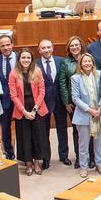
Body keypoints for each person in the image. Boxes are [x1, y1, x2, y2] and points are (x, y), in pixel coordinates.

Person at [9, 48, 48, 175]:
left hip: (37, 107)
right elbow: (13, 96)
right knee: (25, 137)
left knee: (37, 136)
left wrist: (35, 109)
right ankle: (28, 164)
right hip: (22, 109)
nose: (26, 60)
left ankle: (37, 163)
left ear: (32, 59)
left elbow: (42, 91)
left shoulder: (37, 71)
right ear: (19, 59)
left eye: (28, 58)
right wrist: (24, 111)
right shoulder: (14, 73)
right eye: (23, 58)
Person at [70, 52, 101, 177]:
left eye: (89, 61)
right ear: (80, 64)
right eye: (84, 61)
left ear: (93, 63)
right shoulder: (75, 78)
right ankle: (83, 167)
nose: (87, 63)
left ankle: (99, 164)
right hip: (83, 116)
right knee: (83, 144)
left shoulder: (100, 75)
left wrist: (99, 109)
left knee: (99, 143)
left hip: (99, 115)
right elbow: (75, 98)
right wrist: (89, 110)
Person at [36, 39, 67, 167]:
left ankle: (64, 155)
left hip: (60, 100)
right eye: (43, 48)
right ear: (39, 50)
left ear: (53, 48)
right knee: (44, 131)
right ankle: (46, 158)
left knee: (62, 128)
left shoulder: (61, 61)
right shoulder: (35, 64)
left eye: (49, 47)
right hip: (44, 101)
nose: (46, 50)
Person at [57, 35, 84, 169]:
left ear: (81, 45)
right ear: (69, 48)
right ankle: (79, 157)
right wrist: (66, 102)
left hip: (88, 101)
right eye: (72, 45)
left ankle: (91, 156)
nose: (75, 47)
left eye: (77, 45)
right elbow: (62, 82)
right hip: (73, 102)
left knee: (90, 129)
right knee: (77, 129)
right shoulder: (65, 62)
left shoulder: (87, 58)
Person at [0, 35, 17, 159]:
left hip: (21, 100)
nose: (6, 47)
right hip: (4, 100)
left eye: (8, 44)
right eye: (3, 45)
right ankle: (9, 153)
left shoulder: (20, 58)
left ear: (12, 44)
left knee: (23, 128)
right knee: (5, 129)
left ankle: (25, 154)